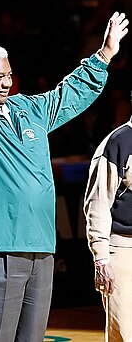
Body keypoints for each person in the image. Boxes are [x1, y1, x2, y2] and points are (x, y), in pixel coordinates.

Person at [0, 0, 129, 342]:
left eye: (9, 74)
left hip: (39, 246)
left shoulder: (28, 109)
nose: (6, 83)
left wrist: (104, 55)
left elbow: (66, 95)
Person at [84, 111, 132, 341]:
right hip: (123, 250)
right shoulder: (118, 141)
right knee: (124, 333)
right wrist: (102, 258)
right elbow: (98, 204)